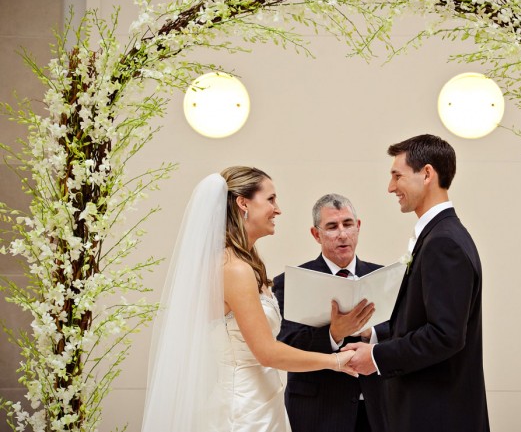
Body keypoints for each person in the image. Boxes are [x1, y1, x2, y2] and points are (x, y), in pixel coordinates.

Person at [141, 167, 357, 432]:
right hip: (243, 411)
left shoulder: (243, 262)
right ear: (243, 203)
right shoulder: (234, 268)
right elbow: (267, 352)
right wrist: (334, 362)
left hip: (262, 403)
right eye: (270, 199)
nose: (277, 209)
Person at [344, 134, 490, 431]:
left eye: (397, 175)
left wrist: (376, 357)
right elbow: (425, 319)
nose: (390, 187)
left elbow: (444, 335)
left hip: (438, 414)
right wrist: (373, 333)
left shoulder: (444, 242)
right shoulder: (440, 235)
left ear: (427, 174)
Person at [272, 194, 389, 432]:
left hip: (379, 406)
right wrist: (333, 334)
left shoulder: (385, 277)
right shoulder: (291, 282)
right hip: (318, 410)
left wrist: (370, 333)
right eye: (332, 227)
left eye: (347, 224)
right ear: (316, 234)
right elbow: (286, 343)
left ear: (358, 227)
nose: (342, 234)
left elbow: (404, 332)